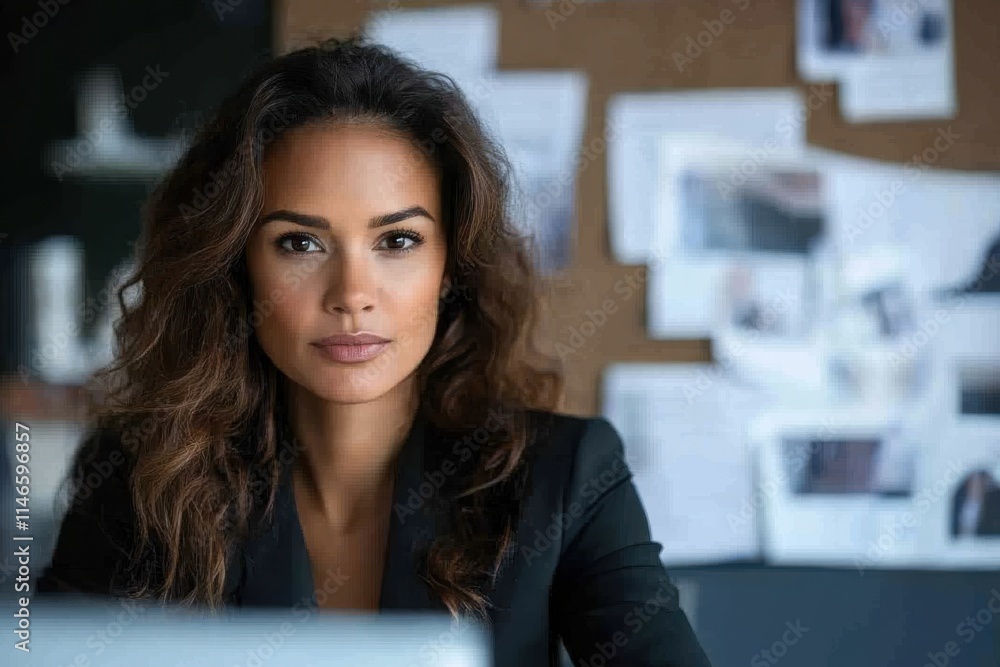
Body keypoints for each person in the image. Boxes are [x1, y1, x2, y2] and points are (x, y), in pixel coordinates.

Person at [35, 36, 712, 667]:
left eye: (397, 241)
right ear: (237, 266)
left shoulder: (568, 477)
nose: (352, 293)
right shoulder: (140, 474)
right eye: (300, 243)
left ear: (452, 265)